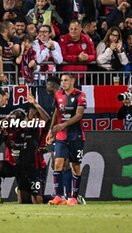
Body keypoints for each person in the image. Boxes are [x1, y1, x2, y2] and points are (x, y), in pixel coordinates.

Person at [46, 73, 87, 206]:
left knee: (75, 166)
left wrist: (63, 124)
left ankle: (73, 197)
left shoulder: (80, 95)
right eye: (62, 81)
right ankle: (58, 196)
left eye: (66, 80)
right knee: (58, 164)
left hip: (76, 136)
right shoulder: (58, 94)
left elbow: (79, 115)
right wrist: (51, 131)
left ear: (72, 81)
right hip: (61, 137)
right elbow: (56, 113)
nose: (63, 83)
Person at [0, 20, 20, 84]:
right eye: (12, 28)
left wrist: (12, 47)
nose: (14, 30)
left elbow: (16, 53)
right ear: (5, 30)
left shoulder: (15, 39)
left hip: (13, 71)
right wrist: (1, 74)